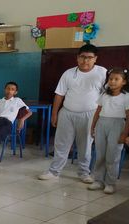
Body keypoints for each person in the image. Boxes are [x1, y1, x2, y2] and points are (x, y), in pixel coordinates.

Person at [39, 44, 107, 182]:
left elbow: (107, 96)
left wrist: (101, 117)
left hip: (90, 114)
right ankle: (54, 171)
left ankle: (84, 173)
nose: (85, 60)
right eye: (82, 57)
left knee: (85, 145)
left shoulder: (102, 72)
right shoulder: (68, 73)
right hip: (67, 113)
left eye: (89, 57)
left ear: (95, 58)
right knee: (61, 144)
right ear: (77, 57)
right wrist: (54, 114)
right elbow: (59, 94)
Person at [88, 68, 129, 194]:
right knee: (100, 154)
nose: (112, 81)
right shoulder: (104, 95)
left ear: (124, 82)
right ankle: (98, 180)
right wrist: (93, 126)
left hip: (117, 125)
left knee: (113, 156)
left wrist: (124, 134)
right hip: (102, 123)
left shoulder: (126, 97)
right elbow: (98, 111)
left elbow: (128, 117)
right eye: (111, 79)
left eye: (117, 79)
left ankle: (110, 183)